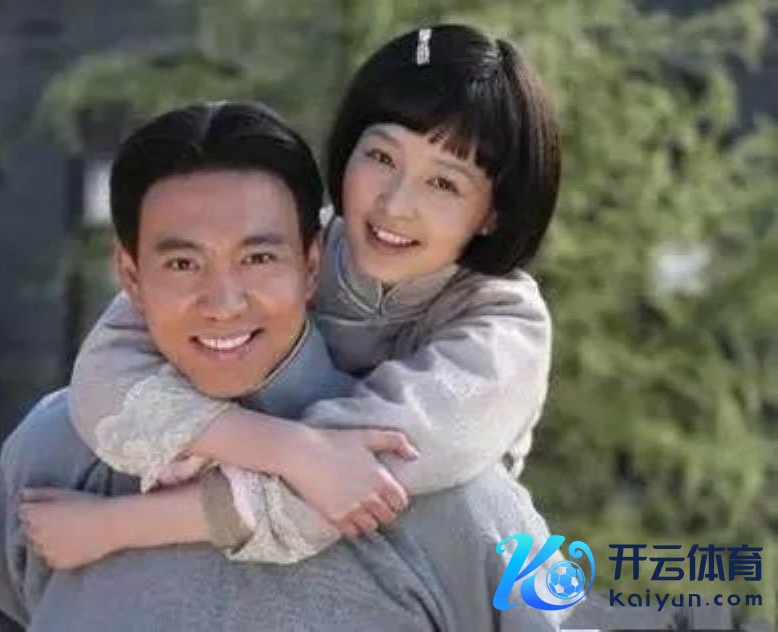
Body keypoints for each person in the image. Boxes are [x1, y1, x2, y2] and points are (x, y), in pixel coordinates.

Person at [0, 100, 565, 631]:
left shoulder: (449, 494)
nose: (223, 303)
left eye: (258, 258)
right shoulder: (49, 454)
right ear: (132, 278)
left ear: (311, 264)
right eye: (183, 264)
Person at [28, 23, 561, 565]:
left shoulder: (503, 328)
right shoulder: (283, 244)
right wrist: (288, 448)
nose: (396, 204)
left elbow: (363, 478)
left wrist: (116, 526)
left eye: (443, 183)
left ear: (494, 212)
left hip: (426, 569)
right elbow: (105, 372)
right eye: (381, 157)